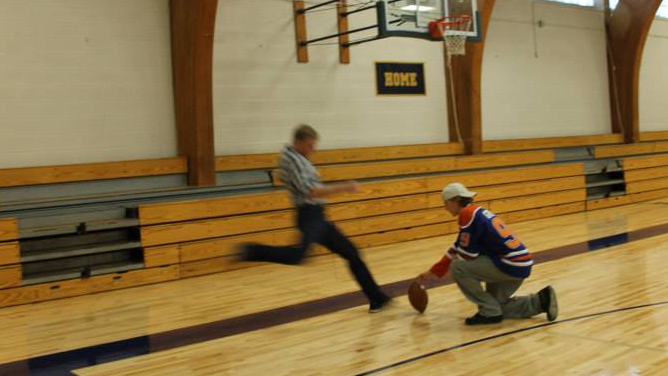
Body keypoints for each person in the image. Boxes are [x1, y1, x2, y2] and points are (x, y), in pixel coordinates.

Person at [238, 125, 392, 312]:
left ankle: (377, 298)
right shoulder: (293, 161)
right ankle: (251, 251)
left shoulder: (298, 158)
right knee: (299, 256)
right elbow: (311, 192)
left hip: (317, 216)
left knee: (352, 253)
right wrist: (343, 187)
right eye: (310, 146)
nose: (313, 150)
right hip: (309, 215)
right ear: (298, 142)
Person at [415, 182, 557, 325]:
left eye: (445, 203)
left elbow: (466, 256)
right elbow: (456, 248)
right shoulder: (476, 211)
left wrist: (442, 270)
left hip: (508, 264)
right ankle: (541, 301)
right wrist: (433, 272)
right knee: (497, 306)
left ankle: (488, 312)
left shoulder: (466, 214)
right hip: (519, 263)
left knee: (458, 267)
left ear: (455, 200)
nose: (445, 208)